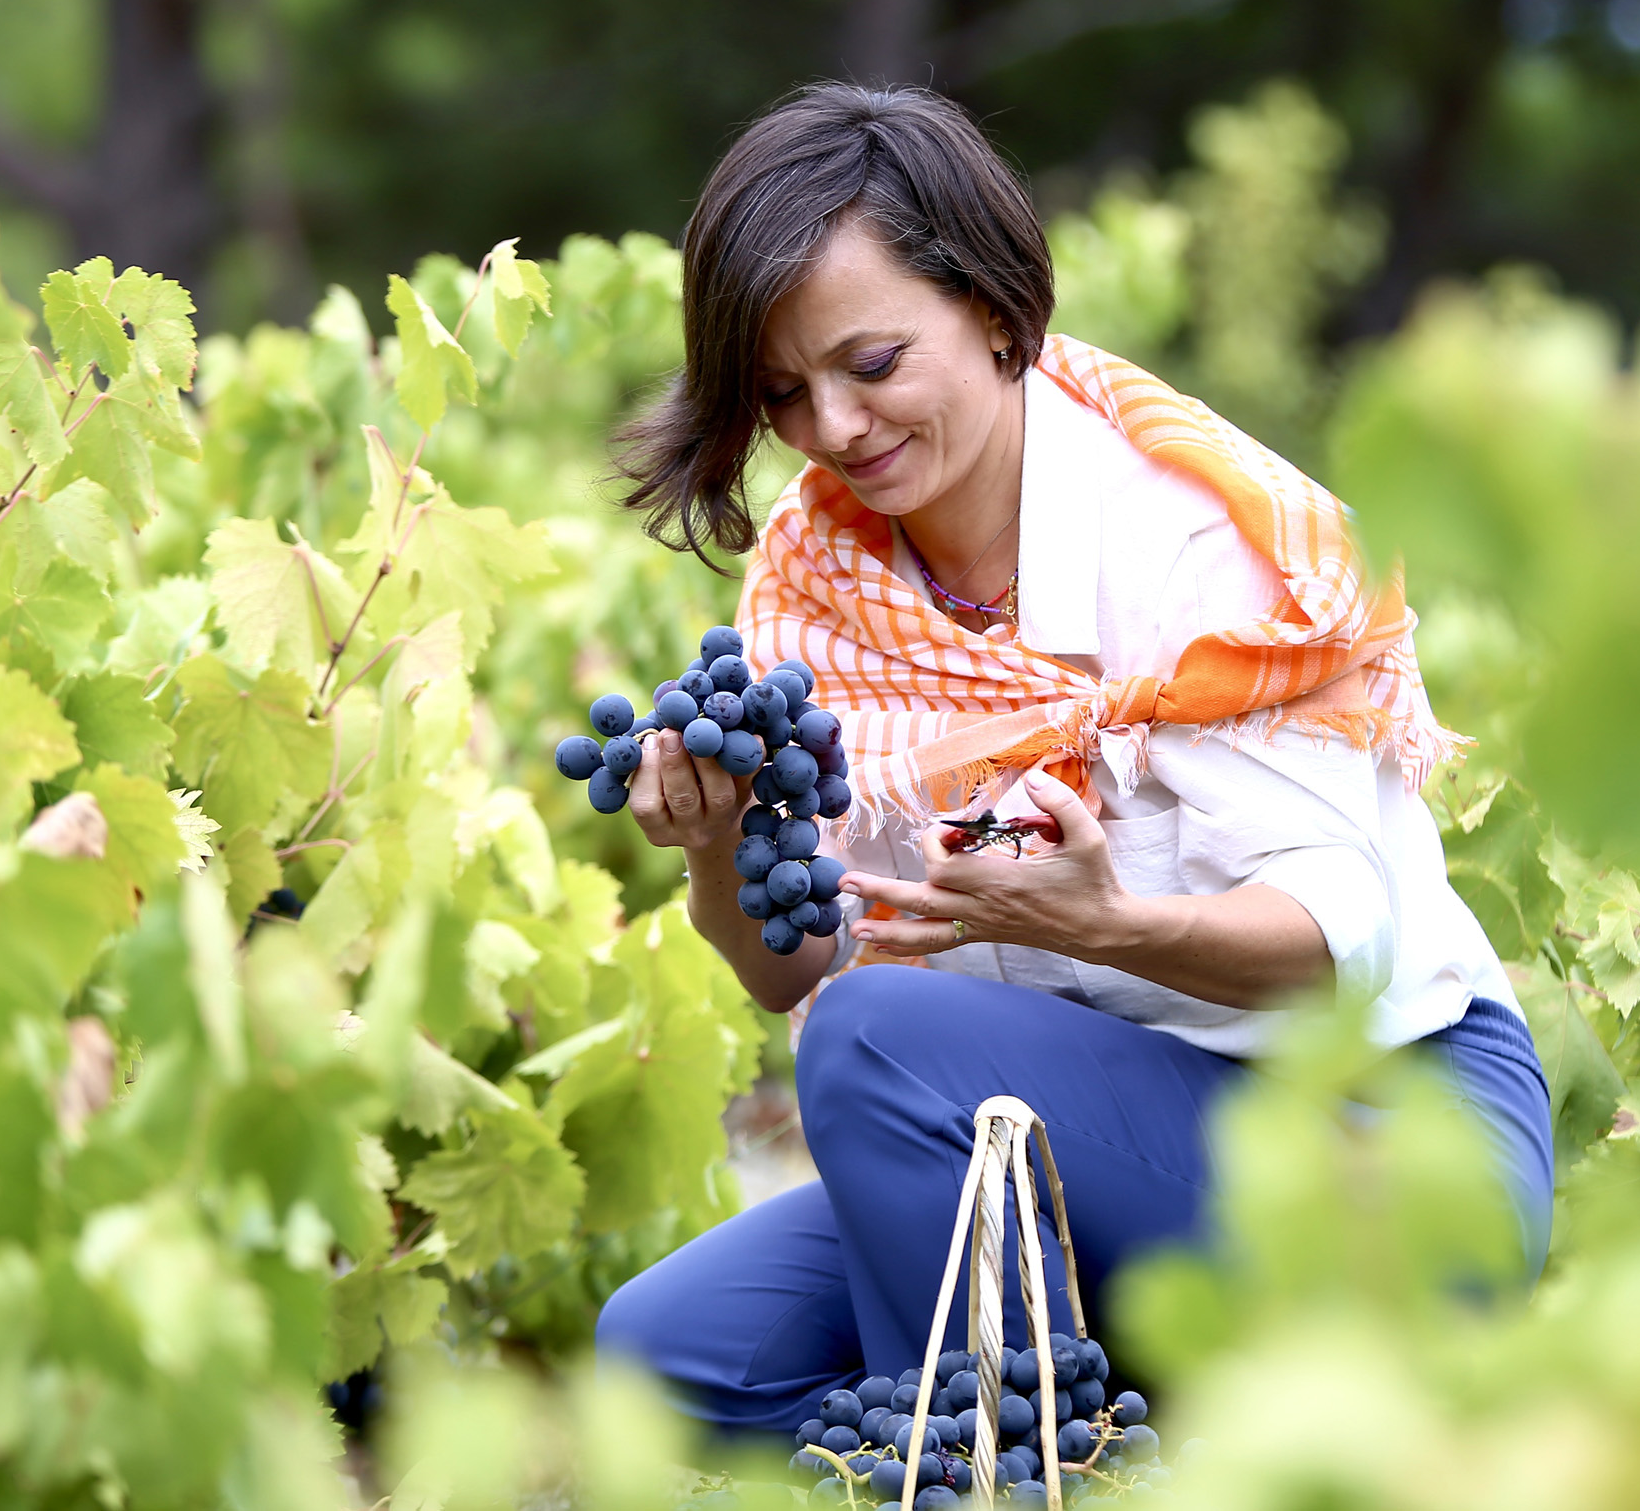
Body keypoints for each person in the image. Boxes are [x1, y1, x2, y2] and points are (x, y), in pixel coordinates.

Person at [593, 84, 1550, 1437]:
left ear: (991, 306)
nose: (835, 430)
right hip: (1090, 1153)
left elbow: (1346, 942)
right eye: (784, 394)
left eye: (871, 364)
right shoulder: (820, 593)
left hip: (1385, 1147)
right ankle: (1114, 1418)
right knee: (665, 1353)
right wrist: (711, 841)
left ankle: (999, 1457)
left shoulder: (1187, 541)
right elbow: (791, 961)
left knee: (885, 1039)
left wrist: (1110, 926)